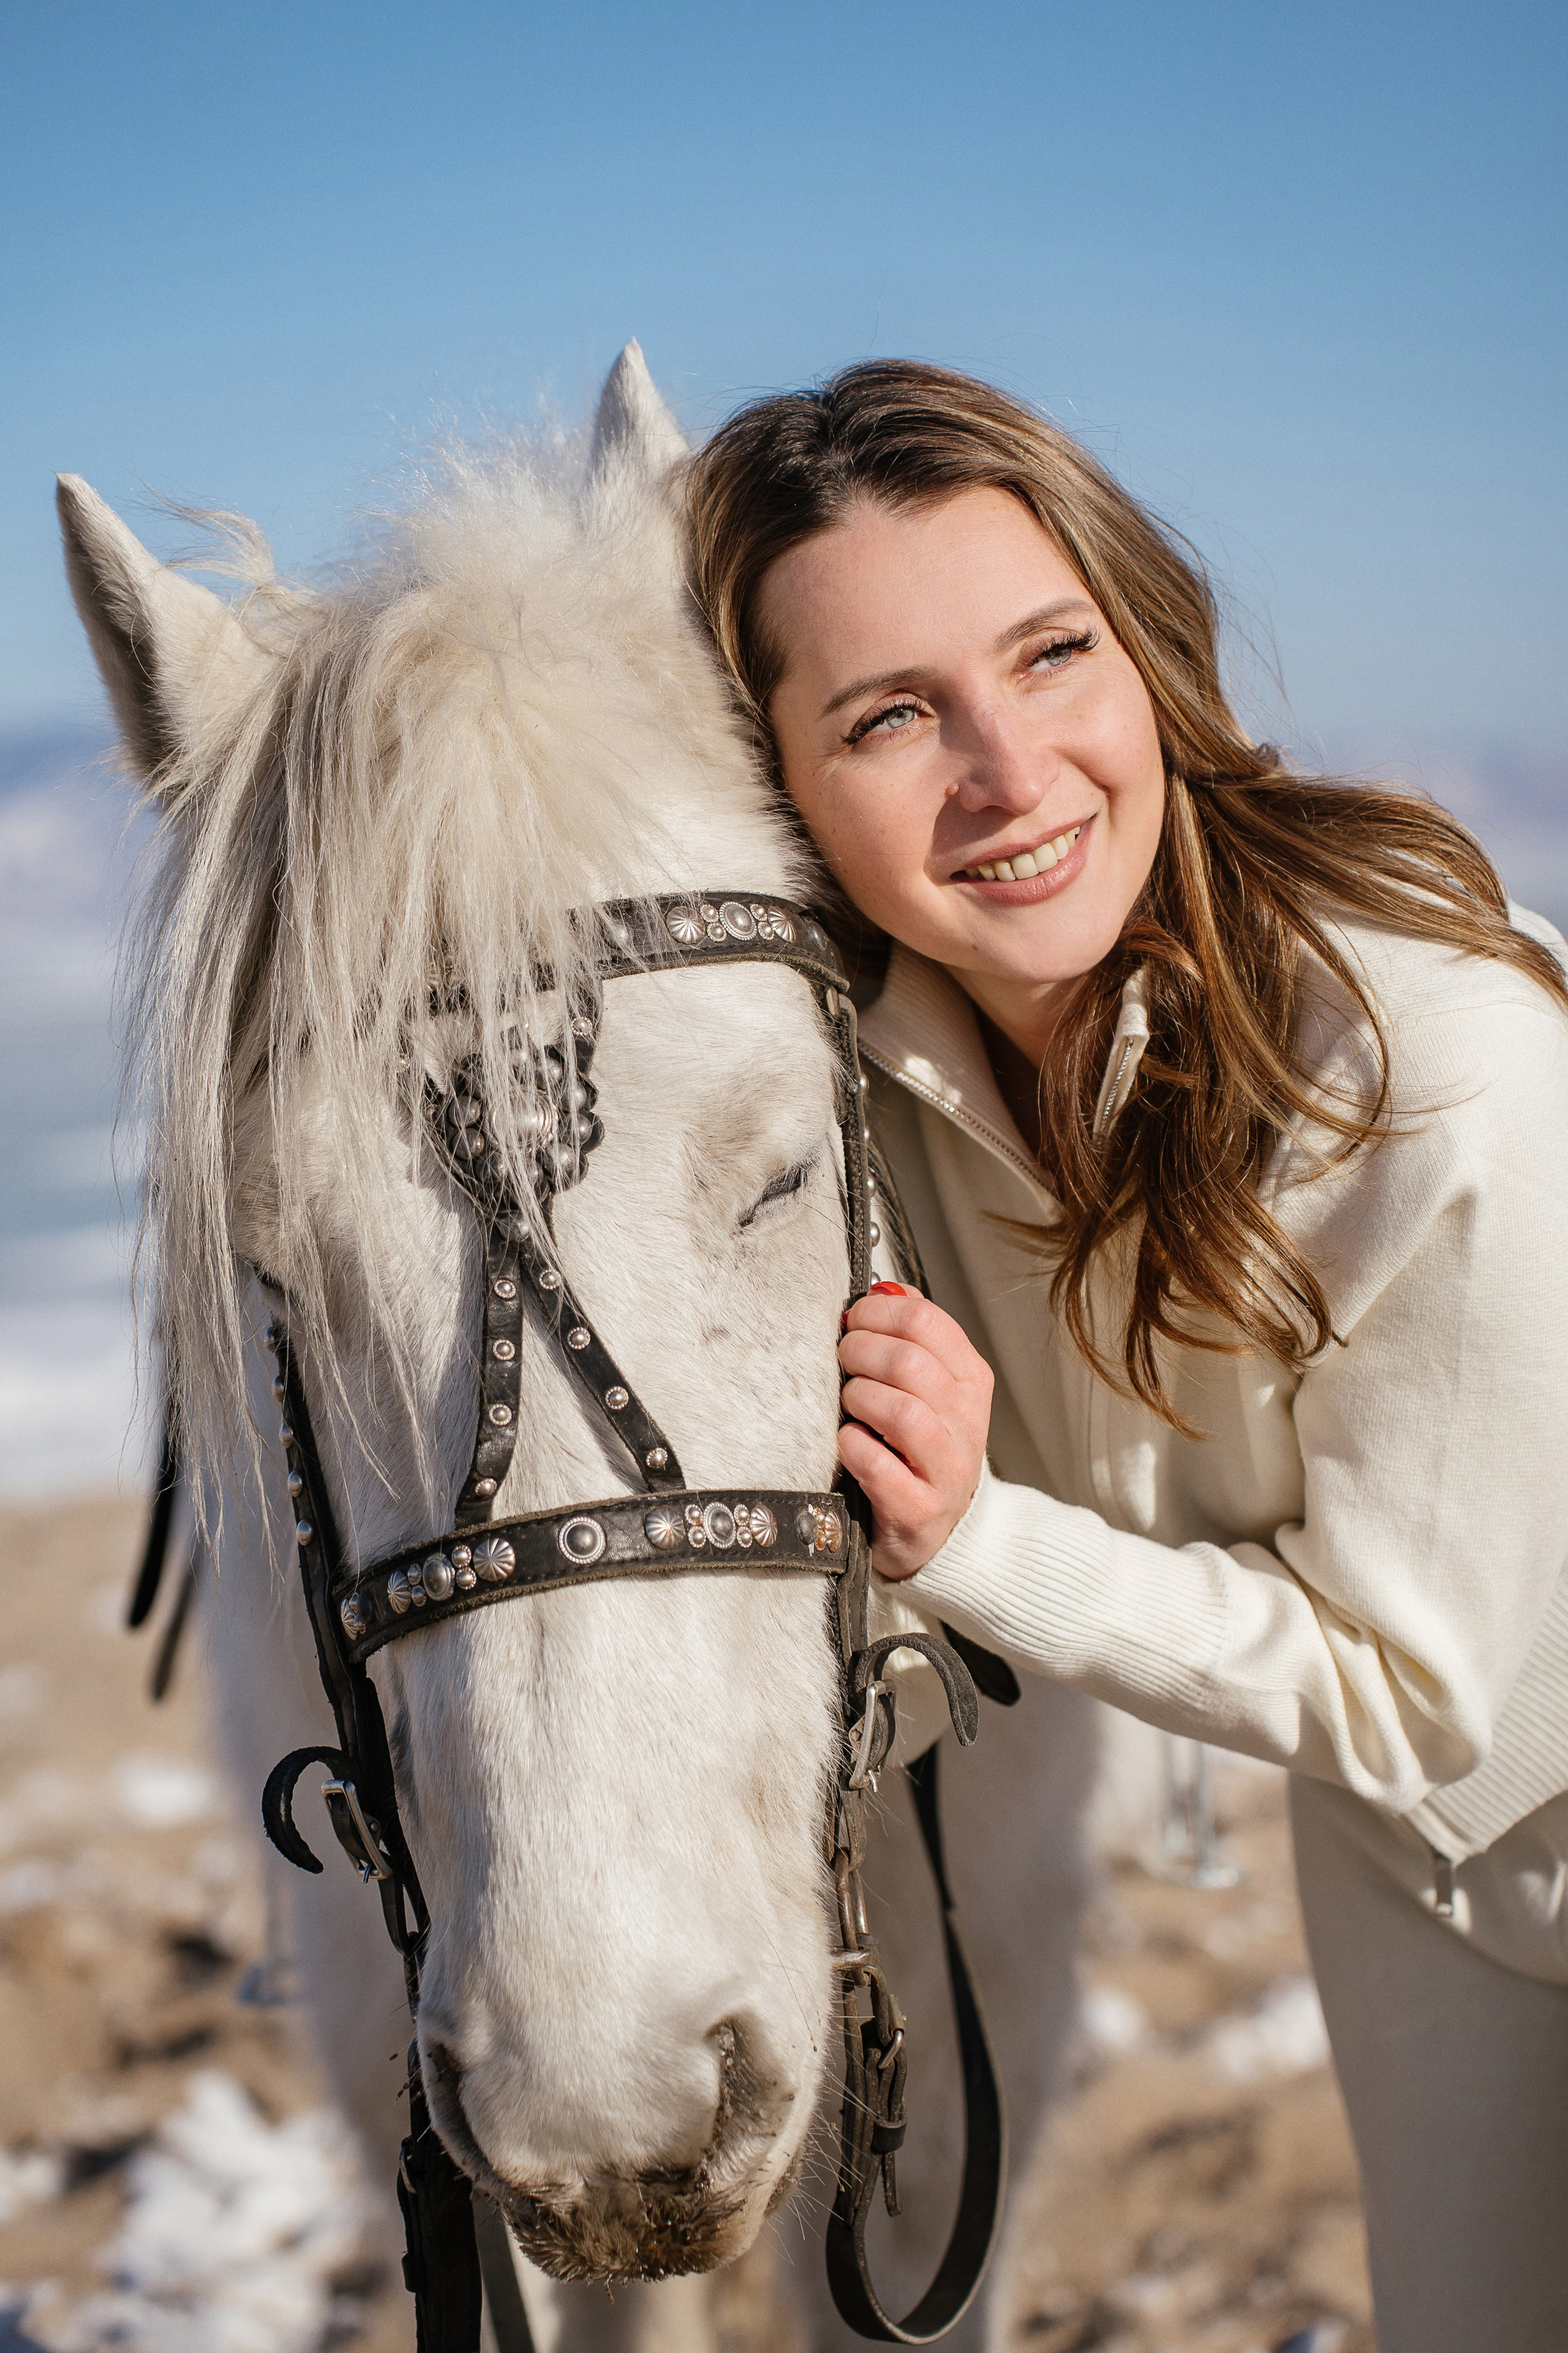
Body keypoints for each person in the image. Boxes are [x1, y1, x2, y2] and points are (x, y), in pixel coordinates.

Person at [683, 361, 1568, 2353]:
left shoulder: (1430, 1066)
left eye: (1051, 654)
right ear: (782, 789)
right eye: (892, 715)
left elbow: (1422, 1686)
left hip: (1451, 1756)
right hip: (1416, 1862)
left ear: (1146, 651)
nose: (1011, 774)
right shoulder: (875, 1072)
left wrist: (980, 1541)